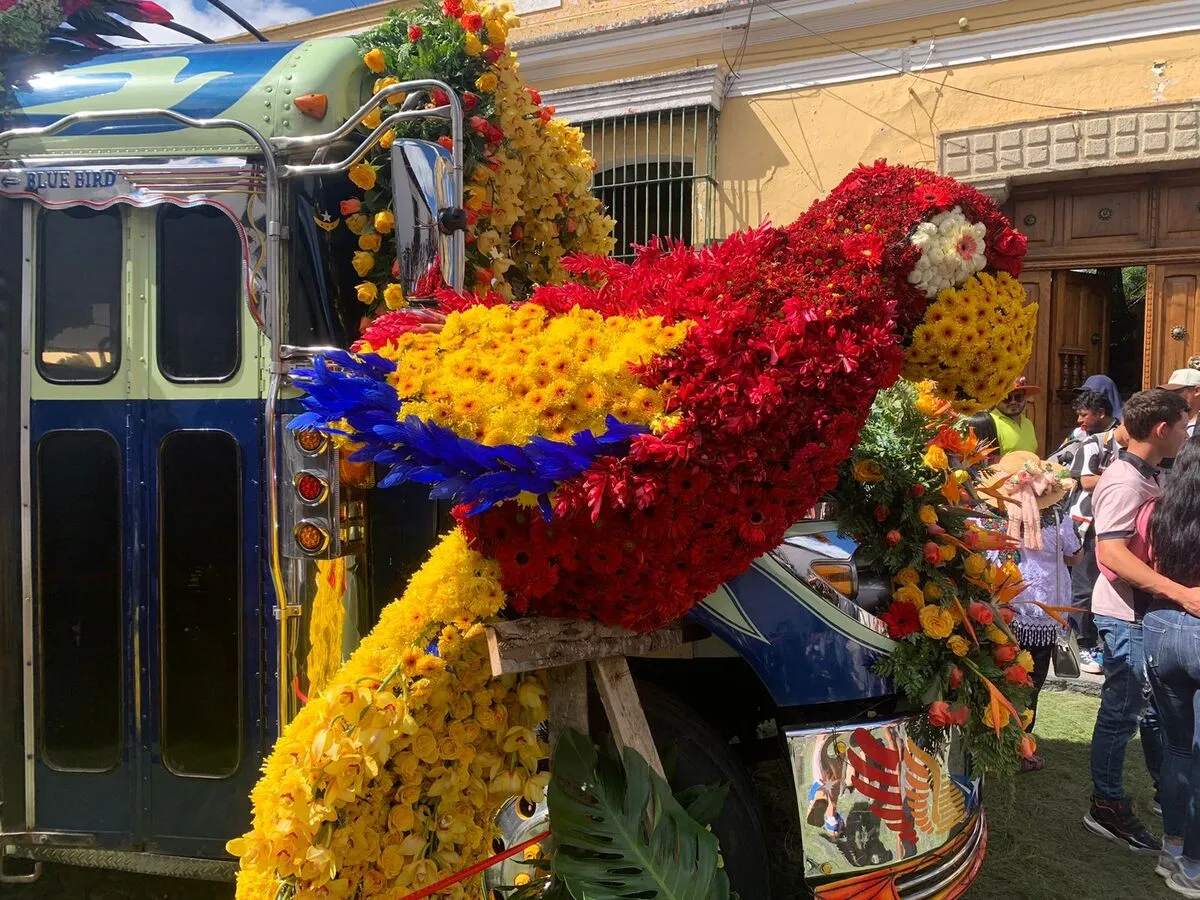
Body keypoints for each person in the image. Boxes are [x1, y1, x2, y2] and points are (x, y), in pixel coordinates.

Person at [1085, 388, 1194, 853]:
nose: (1189, 434)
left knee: (1148, 712)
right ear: (1163, 429)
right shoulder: (1126, 480)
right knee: (1121, 712)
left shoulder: (1147, 474)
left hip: (1140, 613)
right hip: (1123, 613)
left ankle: (1163, 793)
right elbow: (1109, 551)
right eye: (1185, 426)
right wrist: (1177, 591)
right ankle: (1106, 805)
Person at [981, 452, 1079, 772]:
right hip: (1043, 609)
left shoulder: (989, 515)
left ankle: (991, 742)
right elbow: (1074, 556)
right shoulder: (1058, 517)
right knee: (1031, 680)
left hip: (1001, 607)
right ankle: (1022, 747)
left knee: (997, 676)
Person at [1144, 440, 1200, 894]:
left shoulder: (1158, 510)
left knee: (1180, 748)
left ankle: (1173, 849)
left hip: (1161, 625)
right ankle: (1192, 864)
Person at [1052, 389, 1120, 674]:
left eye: (1084, 414)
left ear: (1101, 414)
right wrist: (1119, 475)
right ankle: (1083, 642)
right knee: (1083, 586)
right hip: (1086, 524)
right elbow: (1087, 480)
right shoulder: (1089, 441)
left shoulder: (1119, 438)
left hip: (1114, 521)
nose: (1080, 420)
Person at [989, 376, 1039, 455]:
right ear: (996, 399)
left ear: (1025, 398)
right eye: (1007, 397)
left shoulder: (1028, 423)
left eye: (1018, 397)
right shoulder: (989, 423)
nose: (1013, 402)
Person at [1160, 368, 1200, 438]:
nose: (1171, 396)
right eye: (1168, 392)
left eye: (1177, 392)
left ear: (1197, 391)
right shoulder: (1163, 422)